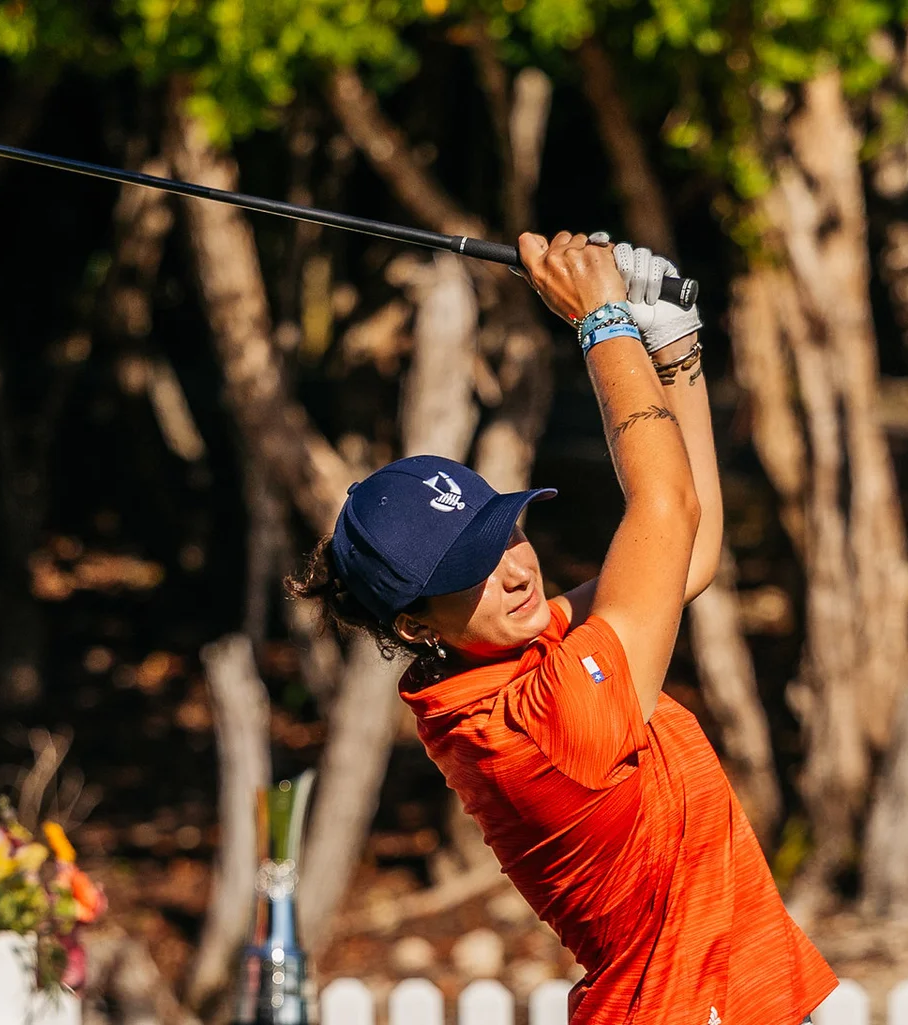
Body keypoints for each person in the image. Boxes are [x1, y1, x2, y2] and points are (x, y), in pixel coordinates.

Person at [286, 232, 836, 1025]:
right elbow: (665, 508)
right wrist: (601, 321)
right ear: (414, 622)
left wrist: (672, 343)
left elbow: (687, 552)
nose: (515, 569)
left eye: (504, 531)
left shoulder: (506, 655)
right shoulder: (536, 728)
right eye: (470, 570)